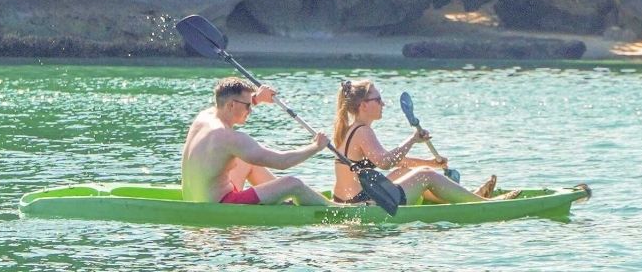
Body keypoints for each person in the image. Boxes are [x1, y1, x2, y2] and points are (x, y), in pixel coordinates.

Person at [331, 78, 520, 204]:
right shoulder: (363, 132)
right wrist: (412, 140)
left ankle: (462, 198)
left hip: (348, 200)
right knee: (426, 175)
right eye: (378, 100)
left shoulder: (353, 129)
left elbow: (393, 160)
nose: (383, 104)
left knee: (405, 172)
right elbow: (385, 162)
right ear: (364, 105)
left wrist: (429, 163)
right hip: (360, 205)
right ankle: (482, 203)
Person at [181, 76, 337, 206]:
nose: (250, 110)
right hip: (222, 204)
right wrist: (316, 146)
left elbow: (231, 105)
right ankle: (335, 208)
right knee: (292, 183)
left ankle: (284, 200)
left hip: (196, 197)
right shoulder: (230, 138)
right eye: (247, 106)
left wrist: (257, 98)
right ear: (231, 105)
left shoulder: (204, 116)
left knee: (247, 161)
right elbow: (282, 162)